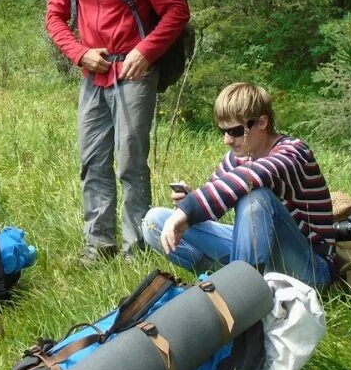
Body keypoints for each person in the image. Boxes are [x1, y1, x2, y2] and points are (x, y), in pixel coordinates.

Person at [45, 0, 190, 265]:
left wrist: (146, 51)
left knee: (130, 161)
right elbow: (55, 19)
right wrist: (79, 55)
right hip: (93, 74)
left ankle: (136, 248)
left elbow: (176, 10)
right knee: (92, 160)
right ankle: (99, 245)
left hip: (134, 74)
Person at [141, 82, 337, 288]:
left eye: (235, 131)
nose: (227, 140)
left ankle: (242, 293)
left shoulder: (294, 152)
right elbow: (219, 193)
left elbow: (251, 176)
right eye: (222, 131)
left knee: (255, 196)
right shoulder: (236, 158)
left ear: (262, 122)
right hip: (262, 256)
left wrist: (189, 209)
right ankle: (227, 283)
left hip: (311, 268)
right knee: (155, 222)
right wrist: (190, 200)